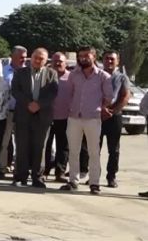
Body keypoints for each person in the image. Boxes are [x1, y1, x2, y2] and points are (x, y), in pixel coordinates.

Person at [62, 47, 112, 195]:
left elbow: (109, 97)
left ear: (94, 56)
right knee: (73, 150)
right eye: (80, 56)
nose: (83, 58)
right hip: (74, 117)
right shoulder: (74, 75)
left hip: (93, 118)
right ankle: (73, 181)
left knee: (94, 152)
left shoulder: (103, 76)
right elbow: (69, 93)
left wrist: (100, 108)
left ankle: (94, 183)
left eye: (86, 55)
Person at [10, 48, 58, 188]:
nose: (37, 60)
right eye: (35, 57)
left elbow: (53, 92)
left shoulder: (51, 73)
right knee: (21, 146)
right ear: (31, 57)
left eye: (41, 58)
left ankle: (38, 177)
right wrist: (28, 104)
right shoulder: (20, 72)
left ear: (46, 60)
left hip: (42, 115)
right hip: (23, 114)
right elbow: (15, 90)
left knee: (40, 147)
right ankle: (20, 177)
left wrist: (39, 105)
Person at [98, 50, 130, 188]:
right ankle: (94, 176)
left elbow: (125, 96)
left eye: (112, 59)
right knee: (94, 148)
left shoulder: (122, 77)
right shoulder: (97, 76)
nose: (109, 61)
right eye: (106, 59)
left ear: (118, 61)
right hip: (97, 115)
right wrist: (100, 109)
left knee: (114, 149)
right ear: (102, 60)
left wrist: (112, 111)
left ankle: (111, 177)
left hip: (114, 116)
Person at [0, 45, 28, 175]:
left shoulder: (28, 72)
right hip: (7, 111)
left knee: (21, 143)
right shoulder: (3, 71)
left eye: (25, 57)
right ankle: (1, 167)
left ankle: (19, 169)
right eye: (21, 57)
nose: (24, 59)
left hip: (22, 112)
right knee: (4, 141)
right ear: (13, 56)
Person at [45, 53, 73, 183]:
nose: (57, 63)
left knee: (63, 146)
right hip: (46, 117)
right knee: (45, 145)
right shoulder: (45, 76)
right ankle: (43, 171)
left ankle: (60, 172)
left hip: (65, 117)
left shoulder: (72, 78)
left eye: (60, 61)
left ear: (65, 63)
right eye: (55, 61)